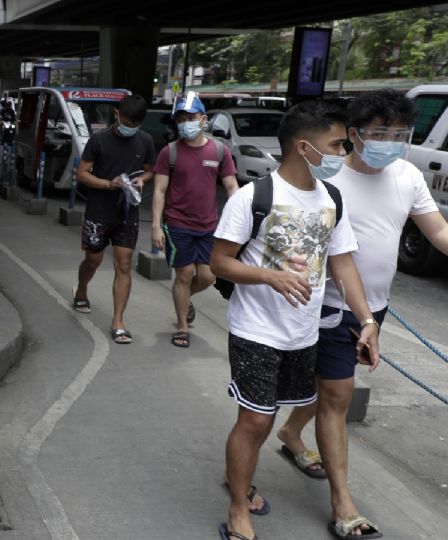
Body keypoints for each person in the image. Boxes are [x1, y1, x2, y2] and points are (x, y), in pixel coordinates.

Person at [274, 90, 448, 539]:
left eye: (399, 133)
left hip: (374, 309)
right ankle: (343, 504)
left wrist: (370, 316)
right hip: (326, 308)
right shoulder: (328, 179)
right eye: (379, 132)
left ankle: (291, 434)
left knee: (329, 387)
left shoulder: (407, 174)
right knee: (337, 395)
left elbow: (438, 230)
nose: (390, 141)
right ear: (354, 134)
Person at [210, 99, 380, 540]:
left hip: (304, 334)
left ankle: (239, 478)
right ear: (304, 147)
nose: (346, 152)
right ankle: (237, 507)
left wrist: (367, 320)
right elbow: (220, 263)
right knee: (256, 421)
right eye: (338, 144)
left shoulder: (332, 199)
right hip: (256, 331)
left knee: (279, 414)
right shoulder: (254, 197)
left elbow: (342, 265)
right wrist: (269, 275)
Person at [151, 93, 239, 348]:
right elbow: (158, 190)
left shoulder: (220, 150)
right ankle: (181, 325)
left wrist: (238, 221)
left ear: (204, 119)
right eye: (181, 119)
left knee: (208, 276)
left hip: (210, 225)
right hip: (177, 224)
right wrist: (156, 226)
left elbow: (232, 186)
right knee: (184, 273)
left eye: (191, 118)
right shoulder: (170, 152)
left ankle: (184, 298)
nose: (186, 123)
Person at [71, 94, 155, 344]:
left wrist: (142, 180)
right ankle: (82, 290)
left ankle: (118, 321)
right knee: (93, 259)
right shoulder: (99, 140)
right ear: (117, 114)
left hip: (128, 213)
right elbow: (82, 174)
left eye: (134, 125)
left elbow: (151, 170)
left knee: (124, 263)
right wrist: (109, 184)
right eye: (126, 122)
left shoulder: (146, 141)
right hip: (99, 211)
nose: (129, 128)